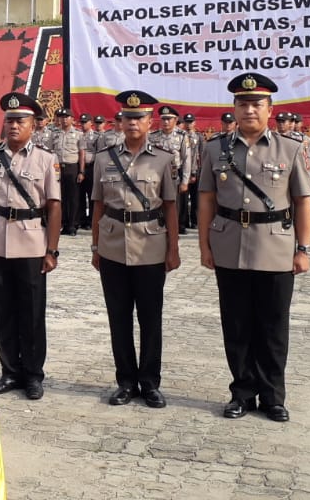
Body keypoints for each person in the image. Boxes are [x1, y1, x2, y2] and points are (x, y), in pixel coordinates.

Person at [197, 73, 310, 423]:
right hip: (230, 244)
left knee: (273, 327)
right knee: (236, 325)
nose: (249, 109)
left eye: (256, 104)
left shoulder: (290, 148)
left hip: (275, 248)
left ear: (270, 109)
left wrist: (303, 248)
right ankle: (242, 393)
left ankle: (273, 396)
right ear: (233, 108)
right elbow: (206, 200)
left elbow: (302, 201)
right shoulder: (215, 148)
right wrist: (204, 246)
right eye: (243, 104)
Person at [90, 91, 179, 408]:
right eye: (127, 118)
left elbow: (170, 206)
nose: (132, 123)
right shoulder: (104, 158)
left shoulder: (164, 159)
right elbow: (98, 205)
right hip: (113, 245)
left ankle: (150, 382)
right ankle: (125, 381)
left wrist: (173, 248)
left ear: (149, 122)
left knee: (151, 318)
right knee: (119, 318)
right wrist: (96, 246)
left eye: (139, 117)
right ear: (120, 122)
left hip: (151, 246)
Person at [0, 92, 61, 400]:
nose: (13, 126)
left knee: (32, 312)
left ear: (33, 125)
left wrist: (51, 249)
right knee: (1, 312)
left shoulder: (46, 159)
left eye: (20, 121)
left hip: (31, 243)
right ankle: (10, 371)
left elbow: (53, 207)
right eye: (9, 120)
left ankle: (34, 375)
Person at [149, 106, 192, 234]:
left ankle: (176, 226)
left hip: (174, 172)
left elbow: (187, 159)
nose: (166, 122)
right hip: (157, 173)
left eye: (169, 119)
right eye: (163, 119)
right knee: (158, 199)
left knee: (175, 201)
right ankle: (160, 224)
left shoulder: (182, 136)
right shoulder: (153, 136)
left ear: (176, 120)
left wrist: (185, 181)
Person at [50, 108, 85, 236]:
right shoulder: (54, 134)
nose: (64, 119)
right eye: (62, 117)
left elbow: (82, 154)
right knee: (61, 197)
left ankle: (73, 225)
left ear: (72, 119)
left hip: (72, 167)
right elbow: (50, 152)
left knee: (74, 198)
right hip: (58, 168)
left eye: (66, 117)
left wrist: (81, 171)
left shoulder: (78, 134)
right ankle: (64, 223)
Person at [79, 113, 99, 230]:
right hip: (80, 167)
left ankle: (91, 220)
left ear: (91, 123)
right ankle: (82, 219)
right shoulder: (79, 135)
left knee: (92, 195)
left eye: (85, 122)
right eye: (81, 122)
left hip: (92, 167)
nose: (83, 124)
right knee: (80, 195)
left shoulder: (96, 136)